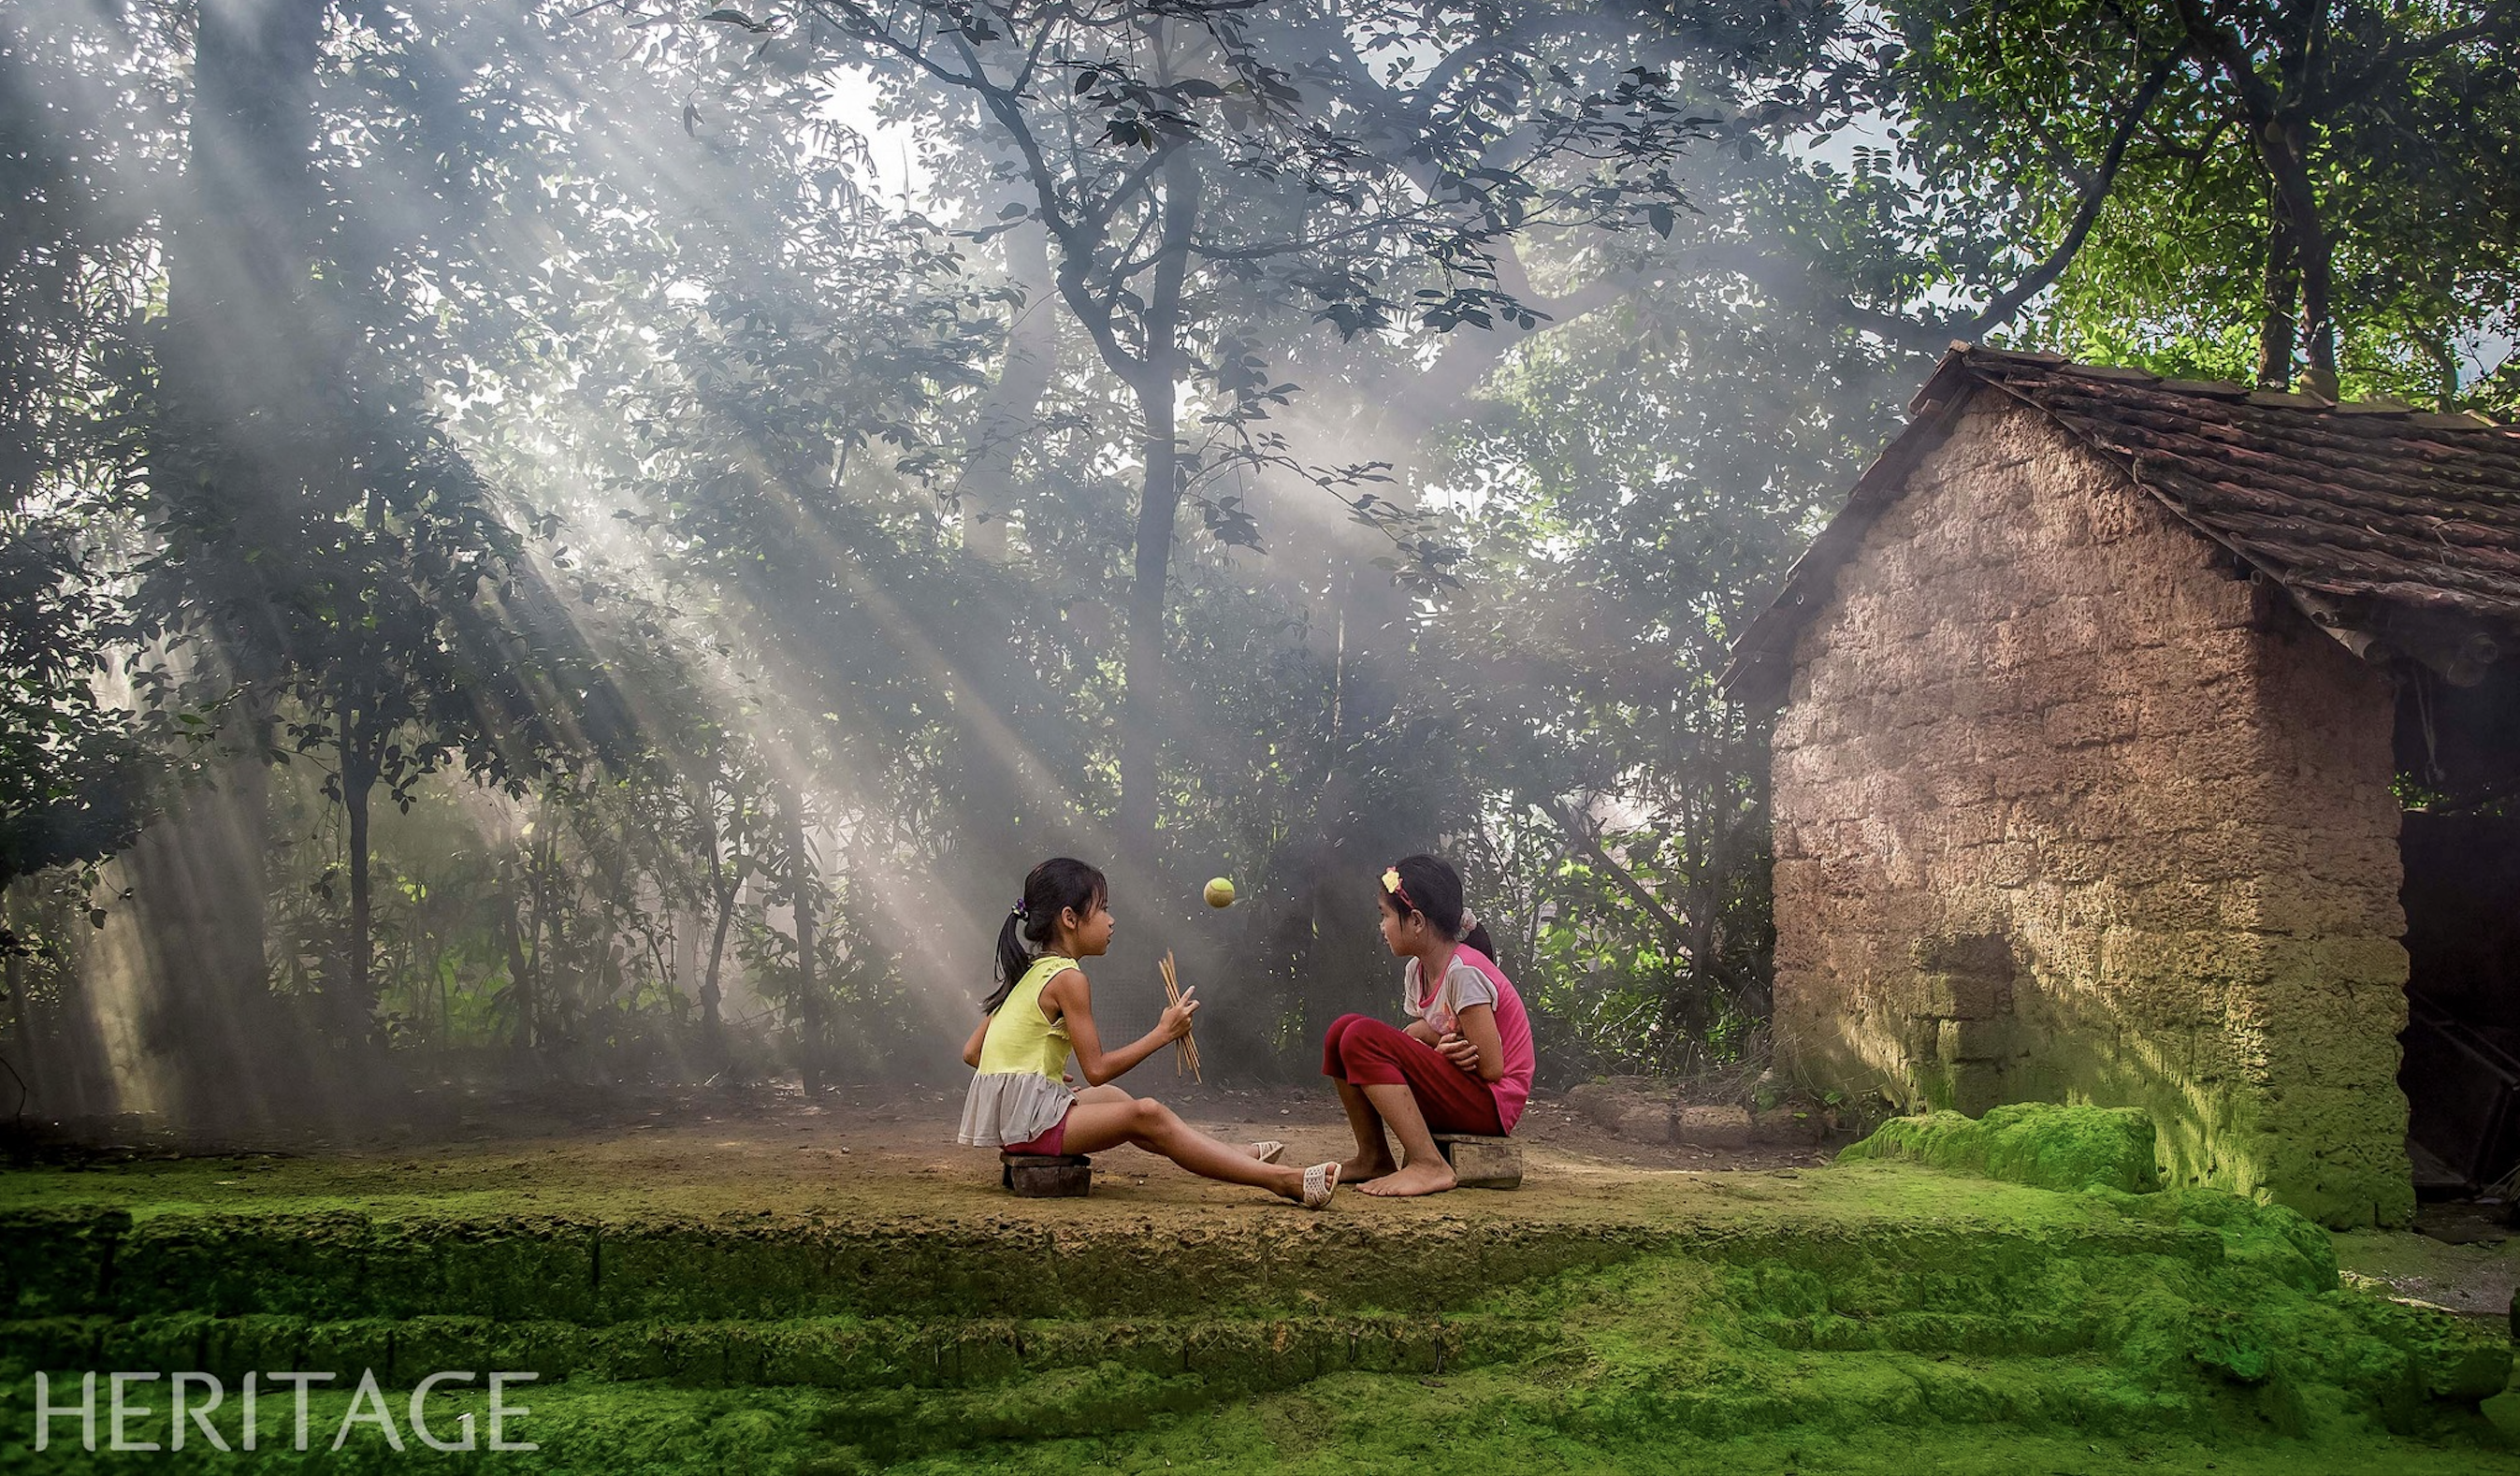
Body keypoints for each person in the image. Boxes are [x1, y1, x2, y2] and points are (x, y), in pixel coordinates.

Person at [958, 857, 1341, 1208]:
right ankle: (1283, 1181)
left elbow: (973, 1052)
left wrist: (1038, 1076)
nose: (1111, 920)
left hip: (1020, 1120)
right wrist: (1163, 1033)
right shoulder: (1068, 978)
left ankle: (1229, 1153)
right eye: (1103, 908)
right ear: (1070, 918)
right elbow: (1097, 1069)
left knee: (1111, 1098)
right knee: (1146, 1113)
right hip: (1031, 1128)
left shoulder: (1027, 972)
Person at [1321, 853, 1536, 1196]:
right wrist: (1440, 1043)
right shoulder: (1418, 971)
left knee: (1361, 1037)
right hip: (1463, 1091)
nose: (1382, 927)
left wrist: (1441, 1047)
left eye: (1386, 916)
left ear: (1417, 921)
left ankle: (1429, 1164)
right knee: (1340, 1032)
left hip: (1491, 1105)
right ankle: (1373, 1156)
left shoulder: (1463, 973)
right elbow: (1423, 1032)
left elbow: (1493, 1067)